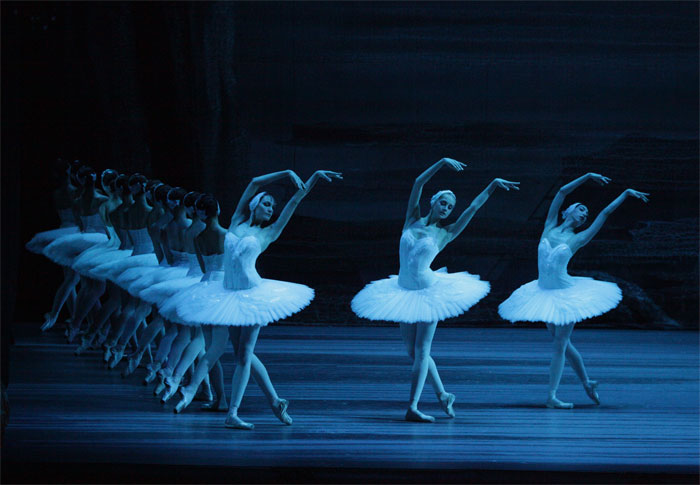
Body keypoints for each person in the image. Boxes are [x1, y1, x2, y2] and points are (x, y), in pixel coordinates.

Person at [351, 158, 518, 422]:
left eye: (450, 207)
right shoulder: (412, 218)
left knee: (423, 350)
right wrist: (440, 163)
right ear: (434, 202)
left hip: (429, 293)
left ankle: (413, 407)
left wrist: (492, 186)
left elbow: (473, 208)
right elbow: (418, 182)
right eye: (443, 203)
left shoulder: (446, 233)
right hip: (403, 291)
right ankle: (442, 394)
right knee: (412, 352)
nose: (447, 209)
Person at [173, 169, 341, 430]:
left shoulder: (269, 233)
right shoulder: (237, 220)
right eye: (266, 203)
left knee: (244, 355)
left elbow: (295, 201)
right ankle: (275, 402)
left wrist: (314, 178)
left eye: (273, 206)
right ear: (254, 205)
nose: (270, 208)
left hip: (252, 296)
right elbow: (253, 182)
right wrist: (285, 173)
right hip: (229, 294)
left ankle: (233, 413)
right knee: (244, 355)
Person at [498, 173, 649, 409]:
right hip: (543, 292)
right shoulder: (549, 226)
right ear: (568, 211)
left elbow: (605, 214)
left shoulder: (579, 238)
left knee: (560, 344)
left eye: (586, 214)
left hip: (566, 294)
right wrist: (587, 176)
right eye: (581, 209)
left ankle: (552, 396)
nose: (585, 214)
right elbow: (561, 193)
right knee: (564, 343)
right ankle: (587, 383)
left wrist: (625, 194)